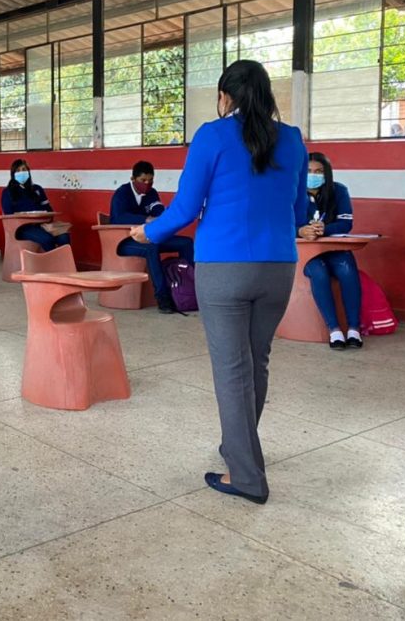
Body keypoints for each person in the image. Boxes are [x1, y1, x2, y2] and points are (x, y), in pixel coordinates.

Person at [129, 60, 309, 505]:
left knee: (232, 370)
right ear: (266, 95)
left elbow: (187, 207)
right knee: (257, 362)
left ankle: (246, 476)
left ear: (225, 96)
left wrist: (147, 232)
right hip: (279, 266)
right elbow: (299, 213)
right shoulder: (293, 139)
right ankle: (237, 447)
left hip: (225, 266)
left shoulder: (213, 134)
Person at [109, 161, 195, 313]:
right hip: (124, 242)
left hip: (149, 237)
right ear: (133, 178)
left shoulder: (152, 193)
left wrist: (161, 215)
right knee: (152, 247)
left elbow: (158, 210)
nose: (147, 184)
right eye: (143, 180)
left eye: (150, 180)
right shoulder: (121, 194)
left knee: (186, 243)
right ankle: (163, 298)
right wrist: (146, 219)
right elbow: (118, 218)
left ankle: (189, 290)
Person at [299, 152, 363, 350]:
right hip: (305, 253)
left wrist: (324, 229)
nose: (314, 174)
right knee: (318, 272)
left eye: (319, 171)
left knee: (347, 267)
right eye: (309, 171)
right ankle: (334, 330)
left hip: (332, 248)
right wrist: (300, 230)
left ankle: (353, 329)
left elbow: (346, 223)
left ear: (327, 173)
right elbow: (281, 224)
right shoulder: (292, 192)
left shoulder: (339, 191)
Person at [0, 159, 70, 251]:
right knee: (47, 239)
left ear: (28, 172)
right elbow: (8, 215)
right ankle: (52, 264)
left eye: (24, 169)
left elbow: (49, 210)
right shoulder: (7, 192)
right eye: (18, 171)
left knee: (64, 237)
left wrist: (46, 218)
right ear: (13, 174)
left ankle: (64, 264)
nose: (22, 172)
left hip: (43, 225)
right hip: (22, 228)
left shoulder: (37, 189)